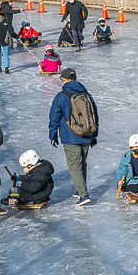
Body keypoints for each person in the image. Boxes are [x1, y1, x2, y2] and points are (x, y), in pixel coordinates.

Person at [48, 67, 99, 206]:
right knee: (82, 163)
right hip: (87, 135)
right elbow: (95, 115)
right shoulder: (86, 94)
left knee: (75, 165)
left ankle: (83, 194)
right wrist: (94, 135)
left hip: (70, 137)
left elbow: (54, 117)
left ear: (63, 79)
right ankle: (79, 190)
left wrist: (53, 135)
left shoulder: (62, 96)